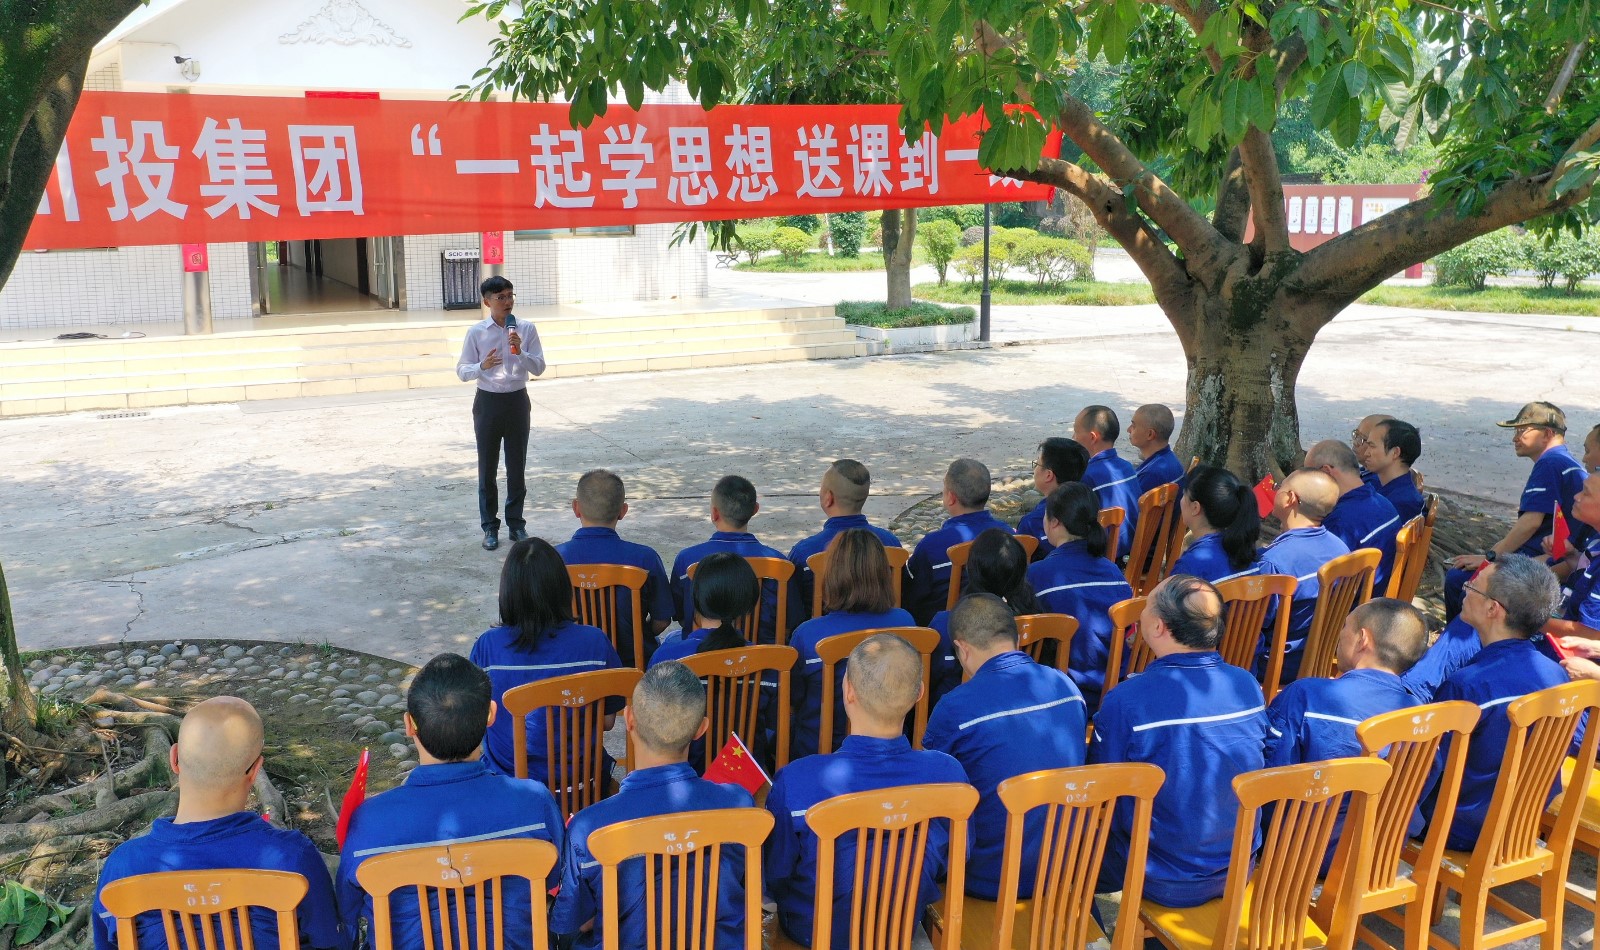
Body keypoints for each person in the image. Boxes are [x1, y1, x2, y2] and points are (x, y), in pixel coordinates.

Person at [336, 655, 564, 950]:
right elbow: (554, 880)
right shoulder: (534, 803)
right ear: (491, 714)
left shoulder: (369, 822)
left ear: (409, 724)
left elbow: (348, 910)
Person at [765, 634, 968, 948]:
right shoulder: (948, 775)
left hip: (814, 933)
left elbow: (776, 874)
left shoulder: (796, 781)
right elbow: (957, 856)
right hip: (901, 926)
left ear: (848, 691)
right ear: (919, 693)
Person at [93, 697, 345, 950]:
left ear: (174, 758)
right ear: (255, 771)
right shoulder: (293, 856)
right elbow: (330, 942)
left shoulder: (123, 865)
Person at [1090, 575, 1269, 908]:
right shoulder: (1247, 686)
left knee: (1061, 858)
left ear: (1158, 626)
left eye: (1146, 605)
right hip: (1238, 867)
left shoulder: (1128, 700)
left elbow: (1101, 783)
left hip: (1159, 877)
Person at [552, 662, 756, 950]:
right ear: (701, 729)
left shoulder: (589, 828)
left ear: (629, 719)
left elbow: (577, 921)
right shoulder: (740, 805)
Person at [923, 593, 1086, 901]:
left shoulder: (955, 709)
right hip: (1061, 870)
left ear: (962, 648)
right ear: (1016, 638)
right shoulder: (1065, 686)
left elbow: (934, 798)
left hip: (985, 879)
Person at [1431, 555, 1576, 851]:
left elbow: (1428, 768)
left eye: (1475, 585)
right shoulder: (1558, 677)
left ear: (1492, 609)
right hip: (1519, 826)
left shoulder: (1468, 686)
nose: (1466, 587)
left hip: (1457, 828)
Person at [469, 538, 624, 779]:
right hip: (582, 784)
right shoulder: (594, 642)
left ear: (507, 592)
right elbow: (606, 721)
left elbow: (478, 722)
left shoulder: (487, 647)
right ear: (562, 587)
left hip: (508, 785)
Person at [1444, 403, 1587, 620]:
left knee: (1460, 581)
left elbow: (1530, 522)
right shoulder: (1565, 461)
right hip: (1558, 559)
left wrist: (1490, 558)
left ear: (1548, 433)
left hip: (1549, 564)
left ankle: (1470, 639)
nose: (1515, 438)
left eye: (1522, 430)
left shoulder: (1550, 463)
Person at [789, 529, 916, 760]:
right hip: (891, 747)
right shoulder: (905, 623)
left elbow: (794, 699)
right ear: (882, 573)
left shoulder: (807, 636)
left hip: (819, 753)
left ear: (832, 575)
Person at [1265, 598, 1428, 769]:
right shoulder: (1425, 720)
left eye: (1345, 626)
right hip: (1382, 788)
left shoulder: (1304, 696)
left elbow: (1271, 768)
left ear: (1362, 640)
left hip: (1310, 787)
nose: (1340, 635)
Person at [456, 276, 547, 551]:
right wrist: (481, 366)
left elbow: (539, 367)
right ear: (487, 302)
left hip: (517, 401)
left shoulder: (526, 329)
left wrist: (520, 352)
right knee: (488, 467)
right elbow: (462, 370)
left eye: (510, 296)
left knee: (516, 466)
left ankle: (516, 524)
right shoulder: (477, 333)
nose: (508, 302)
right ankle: (489, 527)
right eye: (501, 297)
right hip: (488, 402)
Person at [1026, 482, 1134, 710]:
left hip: (1060, 697)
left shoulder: (1037, 575)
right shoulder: (1114, 573)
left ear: (1054, 522)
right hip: (1112, 692)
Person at [556, 469, 674, 666]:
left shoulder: (554, 559)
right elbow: (662, 620)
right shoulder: (645, 558)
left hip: (575, 666)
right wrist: (637, 633)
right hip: (632, 666)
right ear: (623, 511)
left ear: (576, 508)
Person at [927, 529, 1043, 704]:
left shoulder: (945, 624)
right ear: (1021, 571)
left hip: (962, 710)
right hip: (1023, 703)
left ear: (972, 571)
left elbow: (928, 680)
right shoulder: (1040, 619)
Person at [1257, 468, 1351, 679]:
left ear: (1290, 498)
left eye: (1280, 487)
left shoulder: (1275, 562)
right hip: (1318, 658)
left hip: (1277, 667)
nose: (1276, 490)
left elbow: (1254, 626)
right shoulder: (1341, 549)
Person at [669, 475, 788, 643]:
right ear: (755, 509)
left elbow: (681, 617)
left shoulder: (686, 559)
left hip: (699, 651)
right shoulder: (780, 564)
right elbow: (791, 621)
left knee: (671, 639)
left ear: (714, 513)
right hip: (762, 654)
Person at [787, 459, 903, 622]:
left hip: (823, 634)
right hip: (884, 631)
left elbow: (792, 611)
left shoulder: (803, 552)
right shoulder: (891, 543)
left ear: (828, 498)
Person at [905, 459, 1015, 625]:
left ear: (951, 498)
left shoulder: (931, 545)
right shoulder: (1008, 535)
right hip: (1002, 623)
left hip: (947, 630)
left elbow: (911, 596)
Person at [1306, 439, 1403, 594]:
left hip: (1351, 604)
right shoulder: (1383, 503)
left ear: (1326, 472)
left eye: (1308, 475)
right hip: (1378, 595)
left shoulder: (1340, 521)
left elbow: (1313, 578)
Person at [1170, 465, 1261, 584]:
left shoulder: (1189, 567)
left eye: (1184, 495)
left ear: (1195, 508)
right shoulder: (1247, 558)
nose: (1181, 501)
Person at [1073, 405, 1141, 556]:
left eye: (1076, 432)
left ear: (1093, 437)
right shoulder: (1127, 468)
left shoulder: (1087, 477)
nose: (1073, 437)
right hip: (1132, 551)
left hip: (1104, 557)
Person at [1017, 438, 1090, 559]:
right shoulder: (1089, 509)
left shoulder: (1031, 523)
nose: (1034, 469)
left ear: (1048, 475)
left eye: (1037, 464)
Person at [1369, 419, 1427, 522]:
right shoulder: (1397, 489)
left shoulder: (1399, 503)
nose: (1366, 452)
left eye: (1372, 446)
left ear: (1395, 452)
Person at [1130, 403, 1186, 495]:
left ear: (1150, 434)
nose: (1128, 430)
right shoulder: (1170, 458)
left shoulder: (1150, 475)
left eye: (1133, 426)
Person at [1352, 413, 1394, 487]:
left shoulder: (1374, 485)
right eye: (1356, 434)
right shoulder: (1367, 469)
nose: (1355, 442)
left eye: (1362, 439)